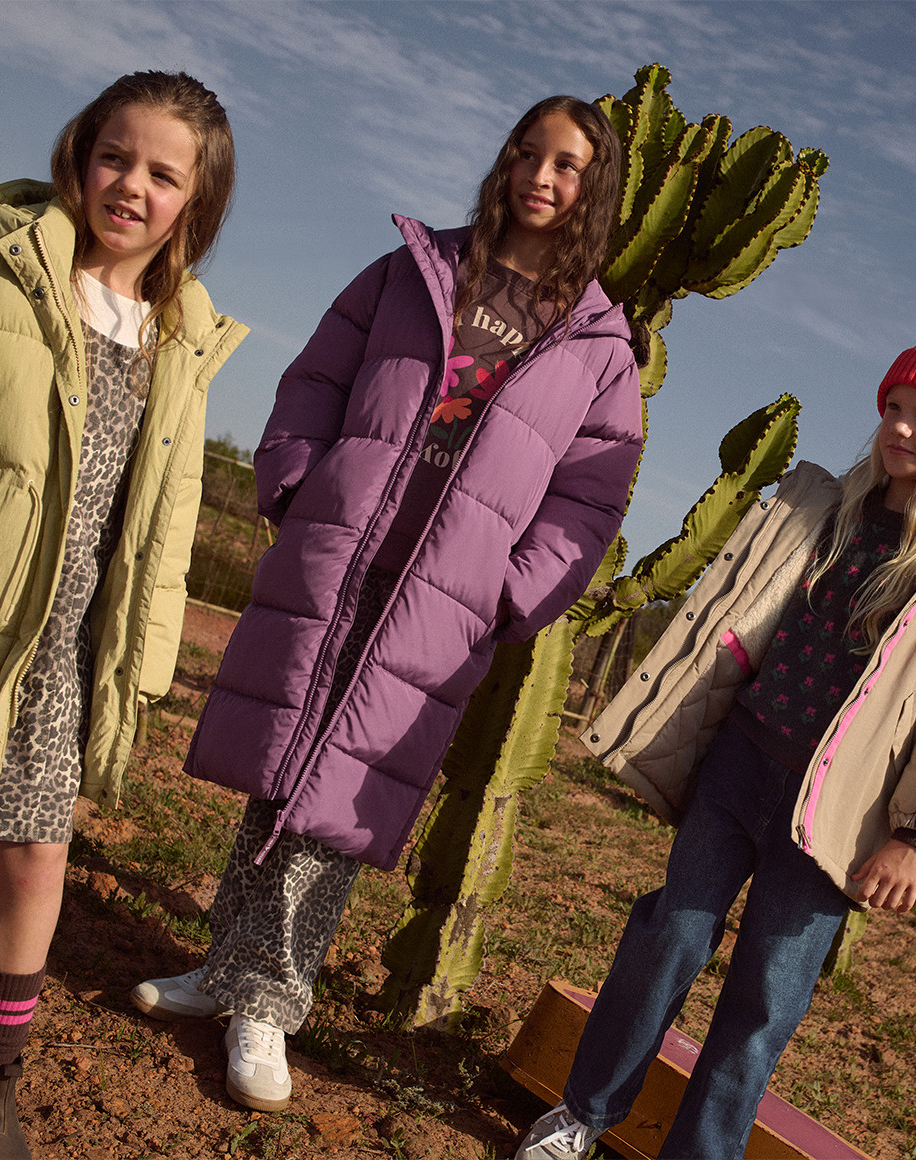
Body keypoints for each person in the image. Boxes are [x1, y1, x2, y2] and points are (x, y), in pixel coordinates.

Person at [130, 95, 643, 1112]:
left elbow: (587, 504)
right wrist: (294, 482)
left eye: (567, 166)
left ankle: (272, 1001)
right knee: (284, 759)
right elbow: (317, 377)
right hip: (342, 548)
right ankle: (228, 969)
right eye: (527, 154)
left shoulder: (599, 348)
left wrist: (507, 592)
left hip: (441, 594)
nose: (540, 177)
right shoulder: (414, 270)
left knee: (341, 787)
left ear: (596, 191)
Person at [515, 332, 916, 1160]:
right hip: (739, 765)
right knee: (668, 940)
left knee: (763, 1003)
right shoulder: (823, 506)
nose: (900, 428)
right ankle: (581, 1116)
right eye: (894, 407)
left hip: (838, 820)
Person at [0, 71, 246, 1158]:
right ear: (79, 157)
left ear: (195, 202)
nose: (131, 185)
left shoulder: (181, 339)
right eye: (114, 157)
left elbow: (167, 517)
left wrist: (143, 660)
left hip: (62, 646)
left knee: (37, 858)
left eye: (162, 174)